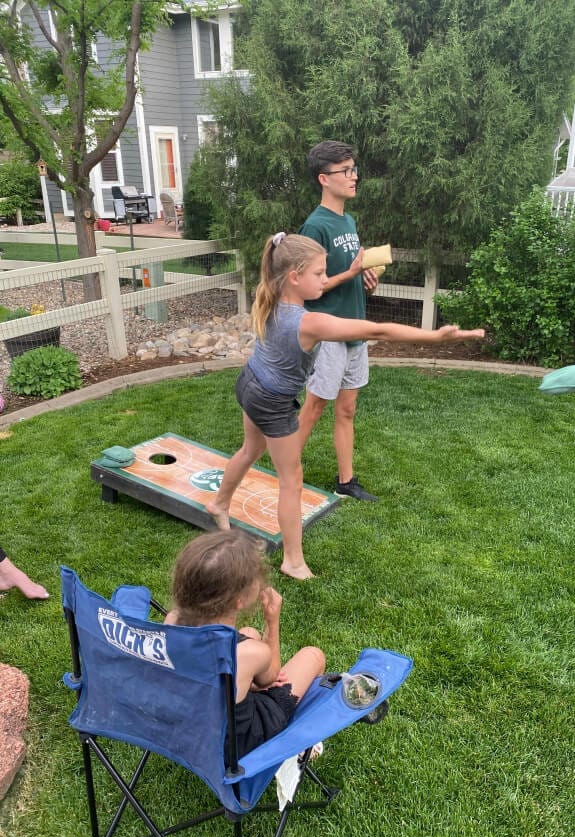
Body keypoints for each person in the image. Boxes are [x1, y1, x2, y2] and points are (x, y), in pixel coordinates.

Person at [205, 231, 484, 580]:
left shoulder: (273, 296)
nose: (325, 280)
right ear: (294, 276)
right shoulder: (309, 322)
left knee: (249, 451)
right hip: (272, 402)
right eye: (320, 274)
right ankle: (293, 561)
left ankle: (218, 503)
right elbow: (377, 331)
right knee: (292, 479)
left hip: (250, 383)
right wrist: (436, 337)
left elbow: (321, 288)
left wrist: (347, 274)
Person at [164, 530, 326, 758]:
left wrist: (247, 682)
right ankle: (296, 744)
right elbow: (272, 677)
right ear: (240, 600)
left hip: (192, 724)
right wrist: (272, 621)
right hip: (237, 743)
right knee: (313, 656)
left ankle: (245, 686)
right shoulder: (249, 653)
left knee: (249, 632)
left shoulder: (172, 621)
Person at [298, 139, 381, 502]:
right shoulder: (314, 227)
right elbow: (304, 289)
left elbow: (349, 270)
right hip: (329, 330)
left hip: (355, 328)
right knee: (315, 406)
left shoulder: (349, 220)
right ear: (323, 179)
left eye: (354, 169)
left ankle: (345, 482)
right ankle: (284, 469)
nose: (353, 177)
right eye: (345, 171)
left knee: (347, 409)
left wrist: (366, 279)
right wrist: (348, 275)